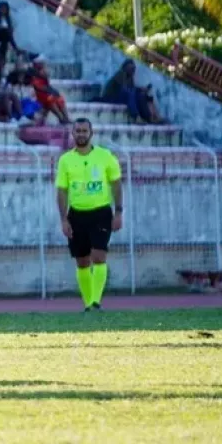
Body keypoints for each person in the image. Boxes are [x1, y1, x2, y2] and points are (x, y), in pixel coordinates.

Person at [56, 119, 123, 312]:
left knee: (99, 256)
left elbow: (116, 184)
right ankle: (88, 305)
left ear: (91, 133)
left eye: (85, 131)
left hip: (101, 212)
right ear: (72, 133)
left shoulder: (105, 156)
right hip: (76, 215)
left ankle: (96, 301)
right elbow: (61, 190)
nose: (81, 134)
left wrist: (118, 212)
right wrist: (63, 219)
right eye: (78, 131)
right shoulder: (65, 160)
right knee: (82, 260)